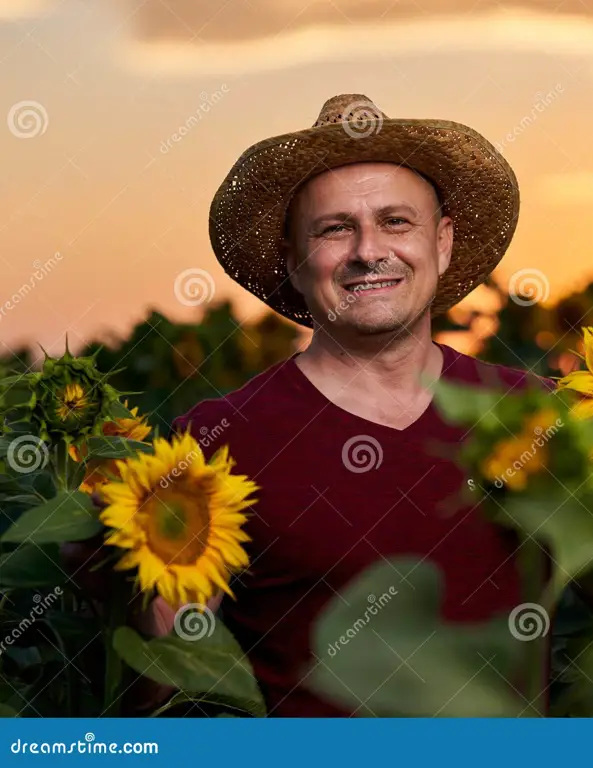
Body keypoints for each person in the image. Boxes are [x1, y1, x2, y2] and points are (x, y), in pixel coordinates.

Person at [151, 94, 555, 716]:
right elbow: (173, 681)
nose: (369, 250)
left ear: (442, 242)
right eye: (336, 228)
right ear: (293, 260)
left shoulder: (538, 414)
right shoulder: (218, 439)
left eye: (397, 222)